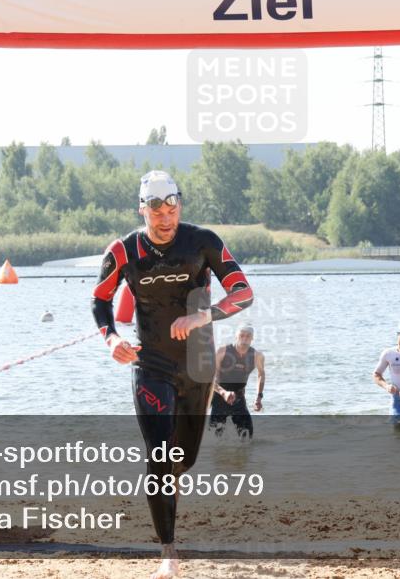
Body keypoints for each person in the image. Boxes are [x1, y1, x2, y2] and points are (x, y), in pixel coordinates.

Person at [91, 170, 253, 579]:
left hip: (198, 365)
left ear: (180, 204)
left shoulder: (203, 242)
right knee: (159, 456)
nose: (165, 219)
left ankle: (166, 488)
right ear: (141, 209)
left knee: (185, 458)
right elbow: (99, 301)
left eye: (172, 208)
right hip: (152, 365)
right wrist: (111, 340)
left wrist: (204, 315)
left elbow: (244, 292)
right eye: (156, 210)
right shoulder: (124, 251)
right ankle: (168, 552)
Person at [209, 325, 265, 438]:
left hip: (239, 399)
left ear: (252, 338)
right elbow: (209, 377)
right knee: (213, 440)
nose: (244, 339)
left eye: (248, 336)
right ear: (236, 336)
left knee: (247, 438)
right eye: (241, 335)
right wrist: (223, 392)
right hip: (219, 398)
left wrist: (258, 397)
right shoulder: (222, 351)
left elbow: (261, 374)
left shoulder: (257, 355)